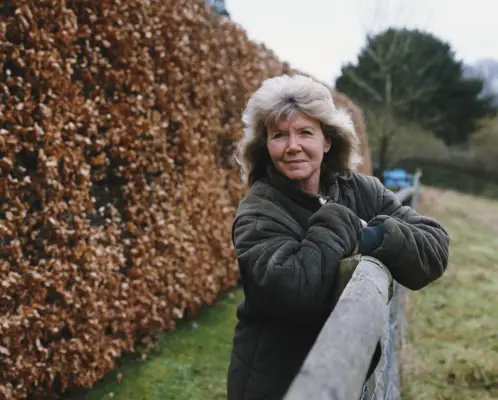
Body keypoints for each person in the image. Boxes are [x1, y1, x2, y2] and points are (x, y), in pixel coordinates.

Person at [226, 74, 450, 400]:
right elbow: (296, 290)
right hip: (278, 384)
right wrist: (342, 222)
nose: (293, 146)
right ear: (265, 145)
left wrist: (374, 237)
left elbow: (435, 247)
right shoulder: (258, 213)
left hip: (351, 374)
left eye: (305, 132)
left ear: (327, 140)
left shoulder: (359, 188)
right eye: (279, 135)